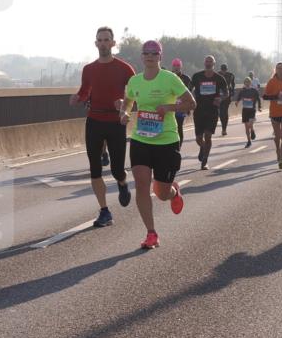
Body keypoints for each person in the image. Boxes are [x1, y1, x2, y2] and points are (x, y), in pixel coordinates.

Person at [120, 40, 195, 249]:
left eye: (154, 53)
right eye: (146, 53)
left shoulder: (170, 79)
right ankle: (151, 233)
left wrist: (169, 107)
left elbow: (191, 103)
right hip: (141, 139)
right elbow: (127, 101)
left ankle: (173, 192)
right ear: (142, 57)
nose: (150, 56)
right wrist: (124, 113)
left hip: (166, 140)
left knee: (162, 193)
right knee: (142, 185)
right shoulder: (135, 81)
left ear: (160, 57)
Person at [69, 27, 135, 227]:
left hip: (115, 123)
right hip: (94, 122)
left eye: (107, 40)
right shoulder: (89, 69)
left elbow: (134, 95)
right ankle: (104, 211)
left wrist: (123, 106)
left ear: (113, 44)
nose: (103, 43)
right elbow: (84, 92)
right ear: (96, 43)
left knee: (116, 169)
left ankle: (122, 183)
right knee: (95, 169)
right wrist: (77, 98)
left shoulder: (125, 69)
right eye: (100, 40)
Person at [189, 56, 230, 169]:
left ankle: (205, 161)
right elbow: (188, 89)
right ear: (204, 63)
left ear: (214, 63)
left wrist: (220, 98)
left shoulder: (219, 78)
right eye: (206, 61)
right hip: (199, 110)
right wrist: (190, 100)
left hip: (212, 111)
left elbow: (226, 93)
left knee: (208, 136)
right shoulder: (197, 76)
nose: (208, 63)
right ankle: (203, 147)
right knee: (198, 138)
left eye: (210, 61)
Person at [170, 58, 191, 152]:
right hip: (169, 106)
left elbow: (189, 94)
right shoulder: (167, 76)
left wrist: (188, 107)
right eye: (174, 65)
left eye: (178, 65)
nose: (176, 67)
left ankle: (178, 147)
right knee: (170, 127)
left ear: (180, 66)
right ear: (172, 66)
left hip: (181, 107)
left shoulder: (186, 78)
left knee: (179, 126)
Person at [235, 77, 262, 147]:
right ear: (244, 83)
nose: (247, 83)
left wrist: (259, 107)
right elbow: (239, 97)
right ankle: (249, 141)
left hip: (252, 110)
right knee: (246, 127)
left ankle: (252, 130)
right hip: (245, 110)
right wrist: (237, 102)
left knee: (250, 124)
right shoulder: (242, 91)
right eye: (246, 82)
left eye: (248, 82)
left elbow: (258, 99)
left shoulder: (254, 91)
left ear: (250, 83)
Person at [218, 63, 236, 136]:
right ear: (220, 69)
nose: (223, 72)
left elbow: (233, 85)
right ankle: (223, 127)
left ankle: (224, 129)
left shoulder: (231, 75)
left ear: (226, 69)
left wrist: (232, 95)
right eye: (222, 70)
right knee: (220, 112)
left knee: (224, 112)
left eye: (224, 70)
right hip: (218, 96)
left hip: (227, 96)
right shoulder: (217, 74)